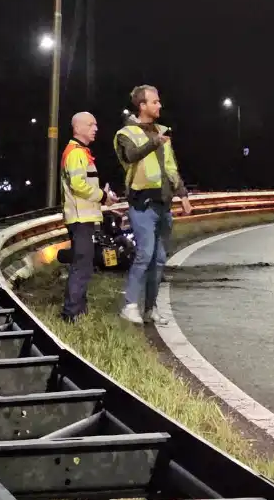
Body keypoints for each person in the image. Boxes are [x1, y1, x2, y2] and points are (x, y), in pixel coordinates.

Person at [113, 85, 192, 326]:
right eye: (155, 102)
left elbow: (170, 167)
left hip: (163, 203)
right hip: (142, 203)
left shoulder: (162, 132)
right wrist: (154, 143)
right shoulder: (125, 133)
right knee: (144, 254)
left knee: (158, 258)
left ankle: (151, 308)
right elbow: (130, 156)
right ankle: (129, 305)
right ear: (142, 105)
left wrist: (183, 195)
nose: (160, 105)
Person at [60, 112, 117, 322]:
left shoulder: (81, 152)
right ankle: (72, 314)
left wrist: (103, 194)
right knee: (81, 265)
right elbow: (77, 185)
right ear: (78, 128)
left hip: (84, 217)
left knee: (83, 264)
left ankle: (79, 310)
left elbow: (84, 184)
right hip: (79, 218)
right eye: (91, 124)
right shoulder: (76, 153)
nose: (96, 128)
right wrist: (103, 196)